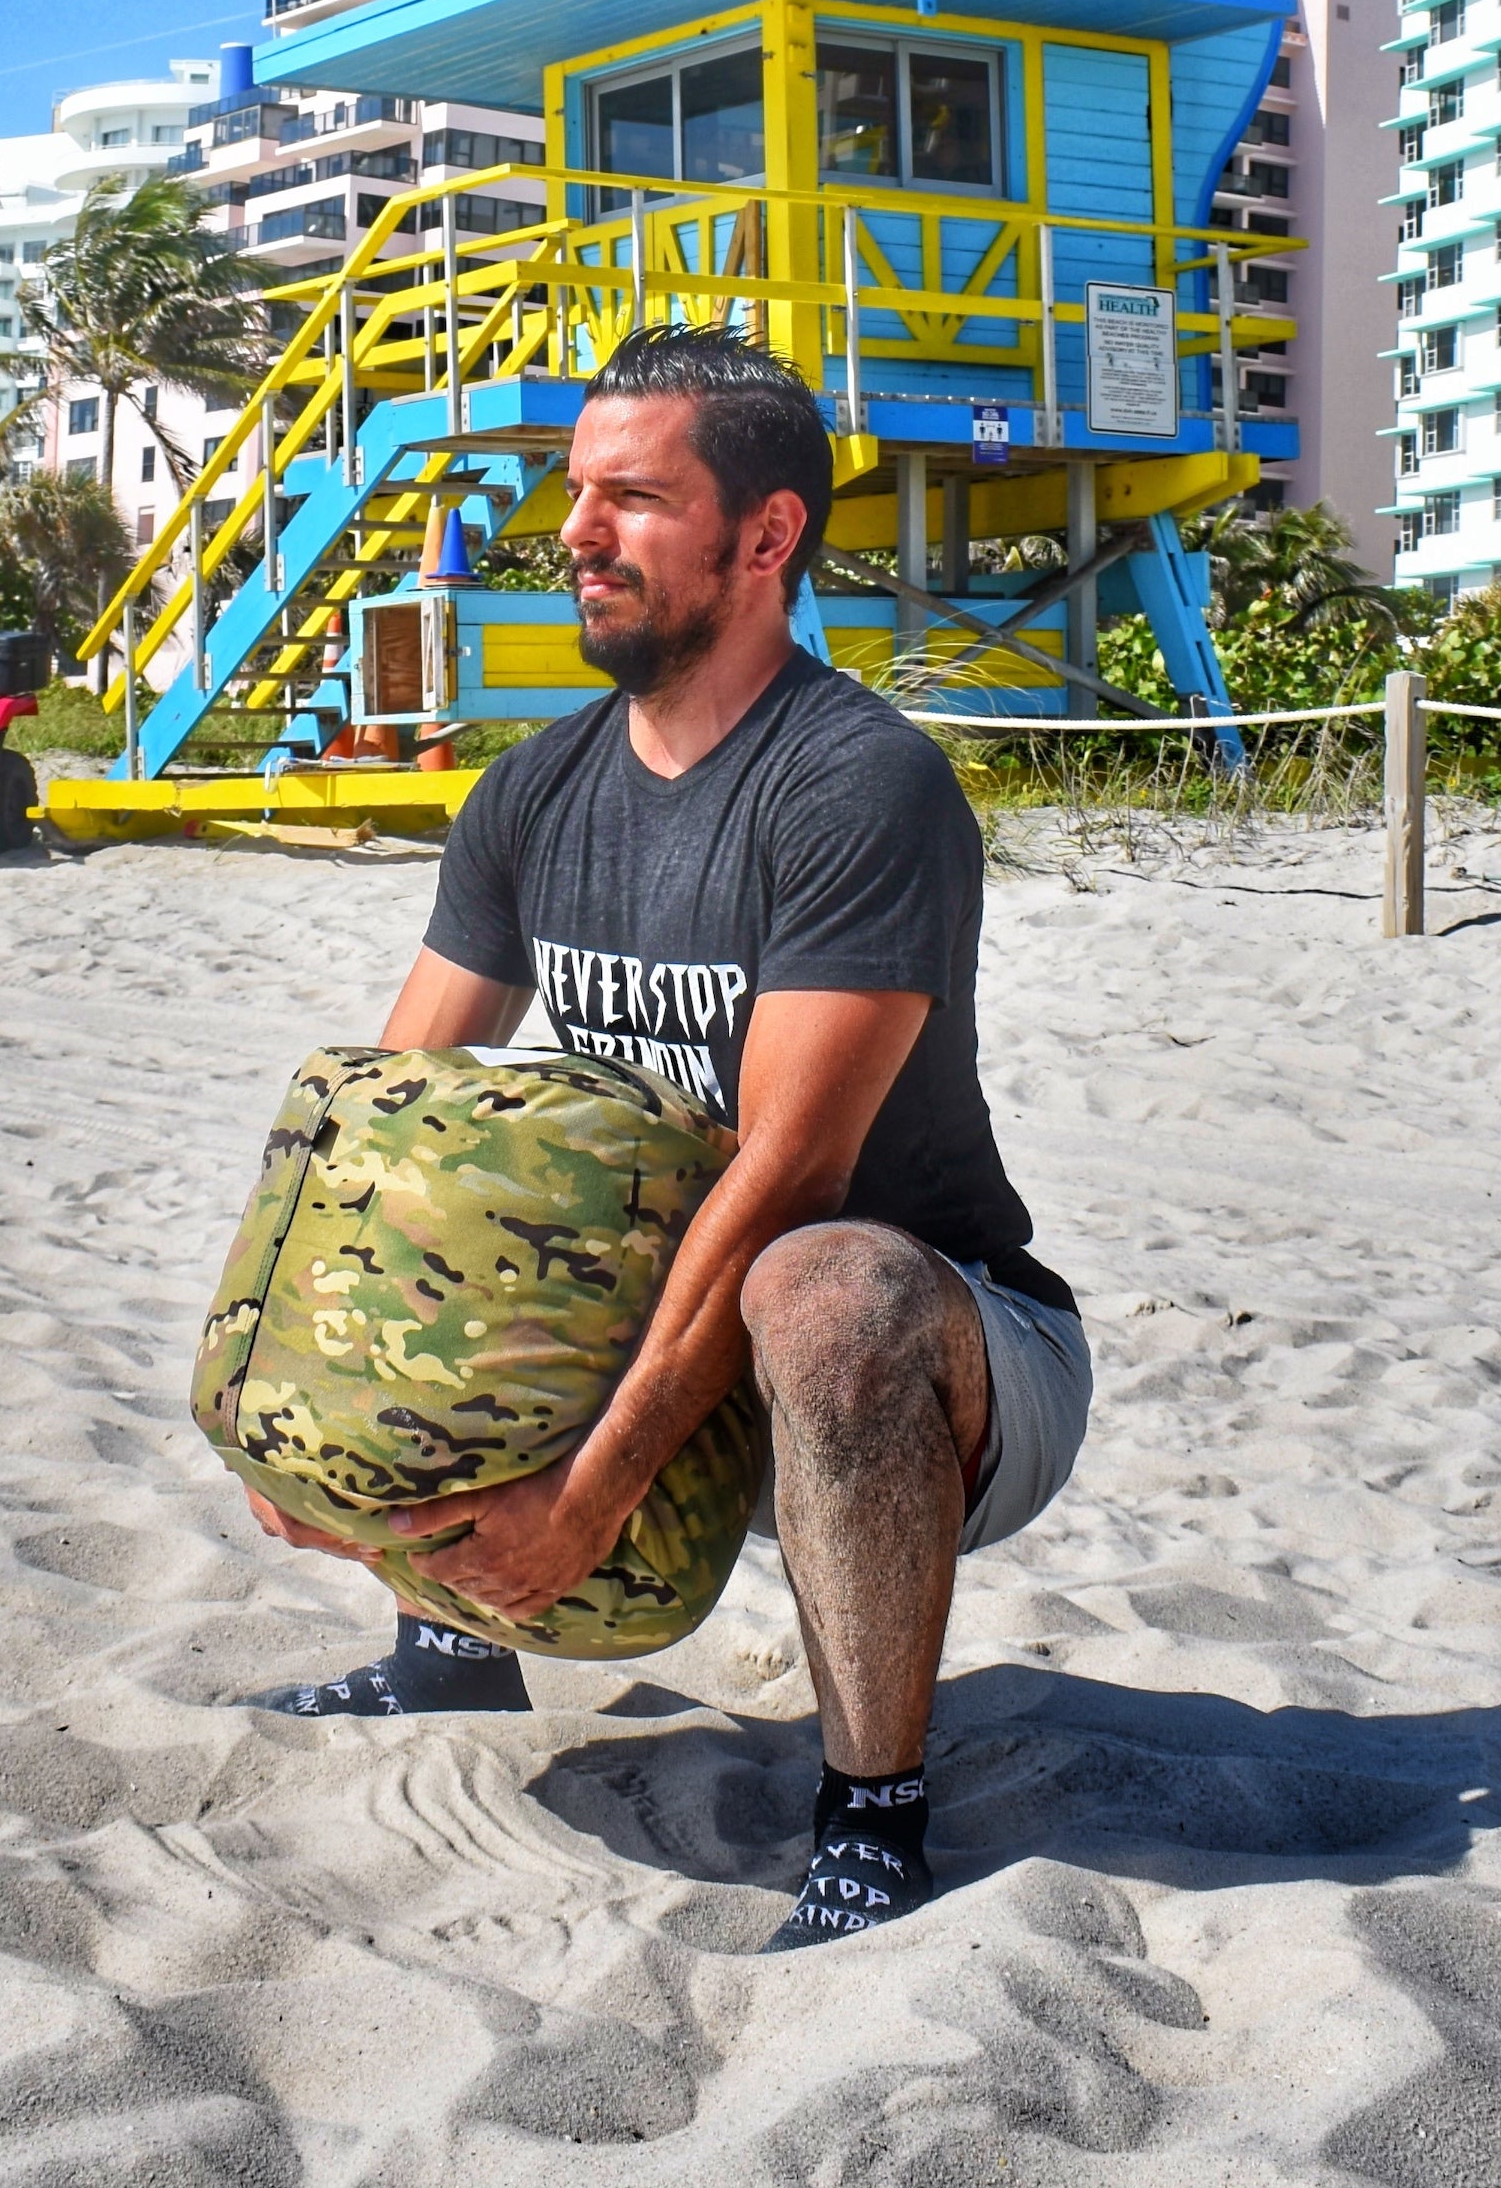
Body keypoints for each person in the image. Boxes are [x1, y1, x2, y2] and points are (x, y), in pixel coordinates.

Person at [248, 321, 1090, 1948]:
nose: (573, 535)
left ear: (766, 535)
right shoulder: (532, 793)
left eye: (631, 500)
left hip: (944, 1367)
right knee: (445, 1195)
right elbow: (389, 1118)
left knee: (823, 1281)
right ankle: (450, 1650)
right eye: (576, 496)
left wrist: (590, 1489)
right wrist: (294, 1421)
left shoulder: (858, 786)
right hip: (682, 1342)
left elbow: (791, 1175)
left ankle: (872, 1812)